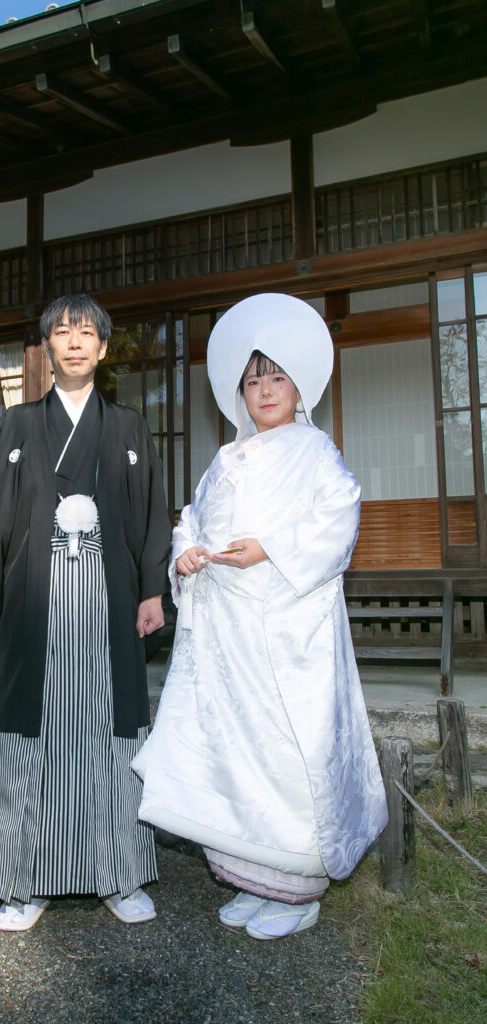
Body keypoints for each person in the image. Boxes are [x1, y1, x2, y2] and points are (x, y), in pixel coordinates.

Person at [133, 292, 388, 940]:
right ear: (239, 393)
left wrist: (269, 547)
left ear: (298, 384)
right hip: (227, 634)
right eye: (253, 380)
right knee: (232, 749)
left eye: (275, 376)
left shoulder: (313, 450)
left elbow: (337, 516)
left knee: (282, 750)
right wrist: (186, 551)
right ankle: (253, 878)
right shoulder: (226, 458)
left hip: (284, 630)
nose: (264, 389)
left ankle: (296, 889)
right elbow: (195, 516)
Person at [0, 294, 170, 931]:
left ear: (104, 350)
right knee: (30, 741)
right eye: (62, 332)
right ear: (47, 346)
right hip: (32, 609)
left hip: (107, 612)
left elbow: (152, 515)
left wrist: (152, 591)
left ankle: (119, 875)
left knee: (113, 738)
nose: (74, 342)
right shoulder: (17, 426)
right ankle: (25, 883)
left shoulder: (129, 427)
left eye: (86, 333)